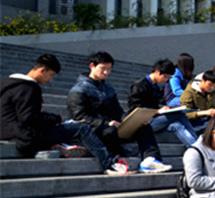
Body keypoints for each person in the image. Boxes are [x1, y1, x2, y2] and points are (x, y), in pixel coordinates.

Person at [1, 53, 129, 175]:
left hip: (6, 131)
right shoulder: (29, 88)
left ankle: (62, 145)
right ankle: (109, 164)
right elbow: (28, 117)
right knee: (82, 128)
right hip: (23, 135)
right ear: (41, 71)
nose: (50, 80)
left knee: (68, 128)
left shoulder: (7, 83)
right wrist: (55, 118)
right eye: (50, 75)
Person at [66, 51, 171, 173]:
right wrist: (106, 123)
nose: (106, 72)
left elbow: (118, 112)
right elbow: (80, 117)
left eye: (109, 69)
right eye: (103, 68)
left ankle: (150, 160)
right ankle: (117, 159)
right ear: (92, 66)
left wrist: (133, 120)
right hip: (94, 131)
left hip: (112, 128)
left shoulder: (108, 89)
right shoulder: (79, 90)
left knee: (144, 128)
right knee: (109, 131)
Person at [128, 59, 197, 148]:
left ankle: (195, 147)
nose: (166, 80)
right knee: (180, 115)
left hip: (155, 120)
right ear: (157, 72)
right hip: (144, 122)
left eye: (168, 77)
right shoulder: (139, 86)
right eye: (165, 77)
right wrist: (157, 111)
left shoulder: (155, 87)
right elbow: (135, 108)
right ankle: (199, 148)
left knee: (177, 125)